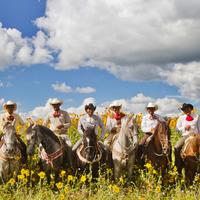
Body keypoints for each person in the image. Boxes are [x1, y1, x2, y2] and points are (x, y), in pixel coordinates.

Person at [175, 103, 200, 175]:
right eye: (184, 109)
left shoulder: (197, 116)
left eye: (187, 108)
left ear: (190, 108)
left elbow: (199, 127)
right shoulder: (181, 118)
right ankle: (178, 165)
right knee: (176, 147)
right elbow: (177, 129)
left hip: (196, 136)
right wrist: (184, 128)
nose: (186, 110)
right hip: (186, 136)